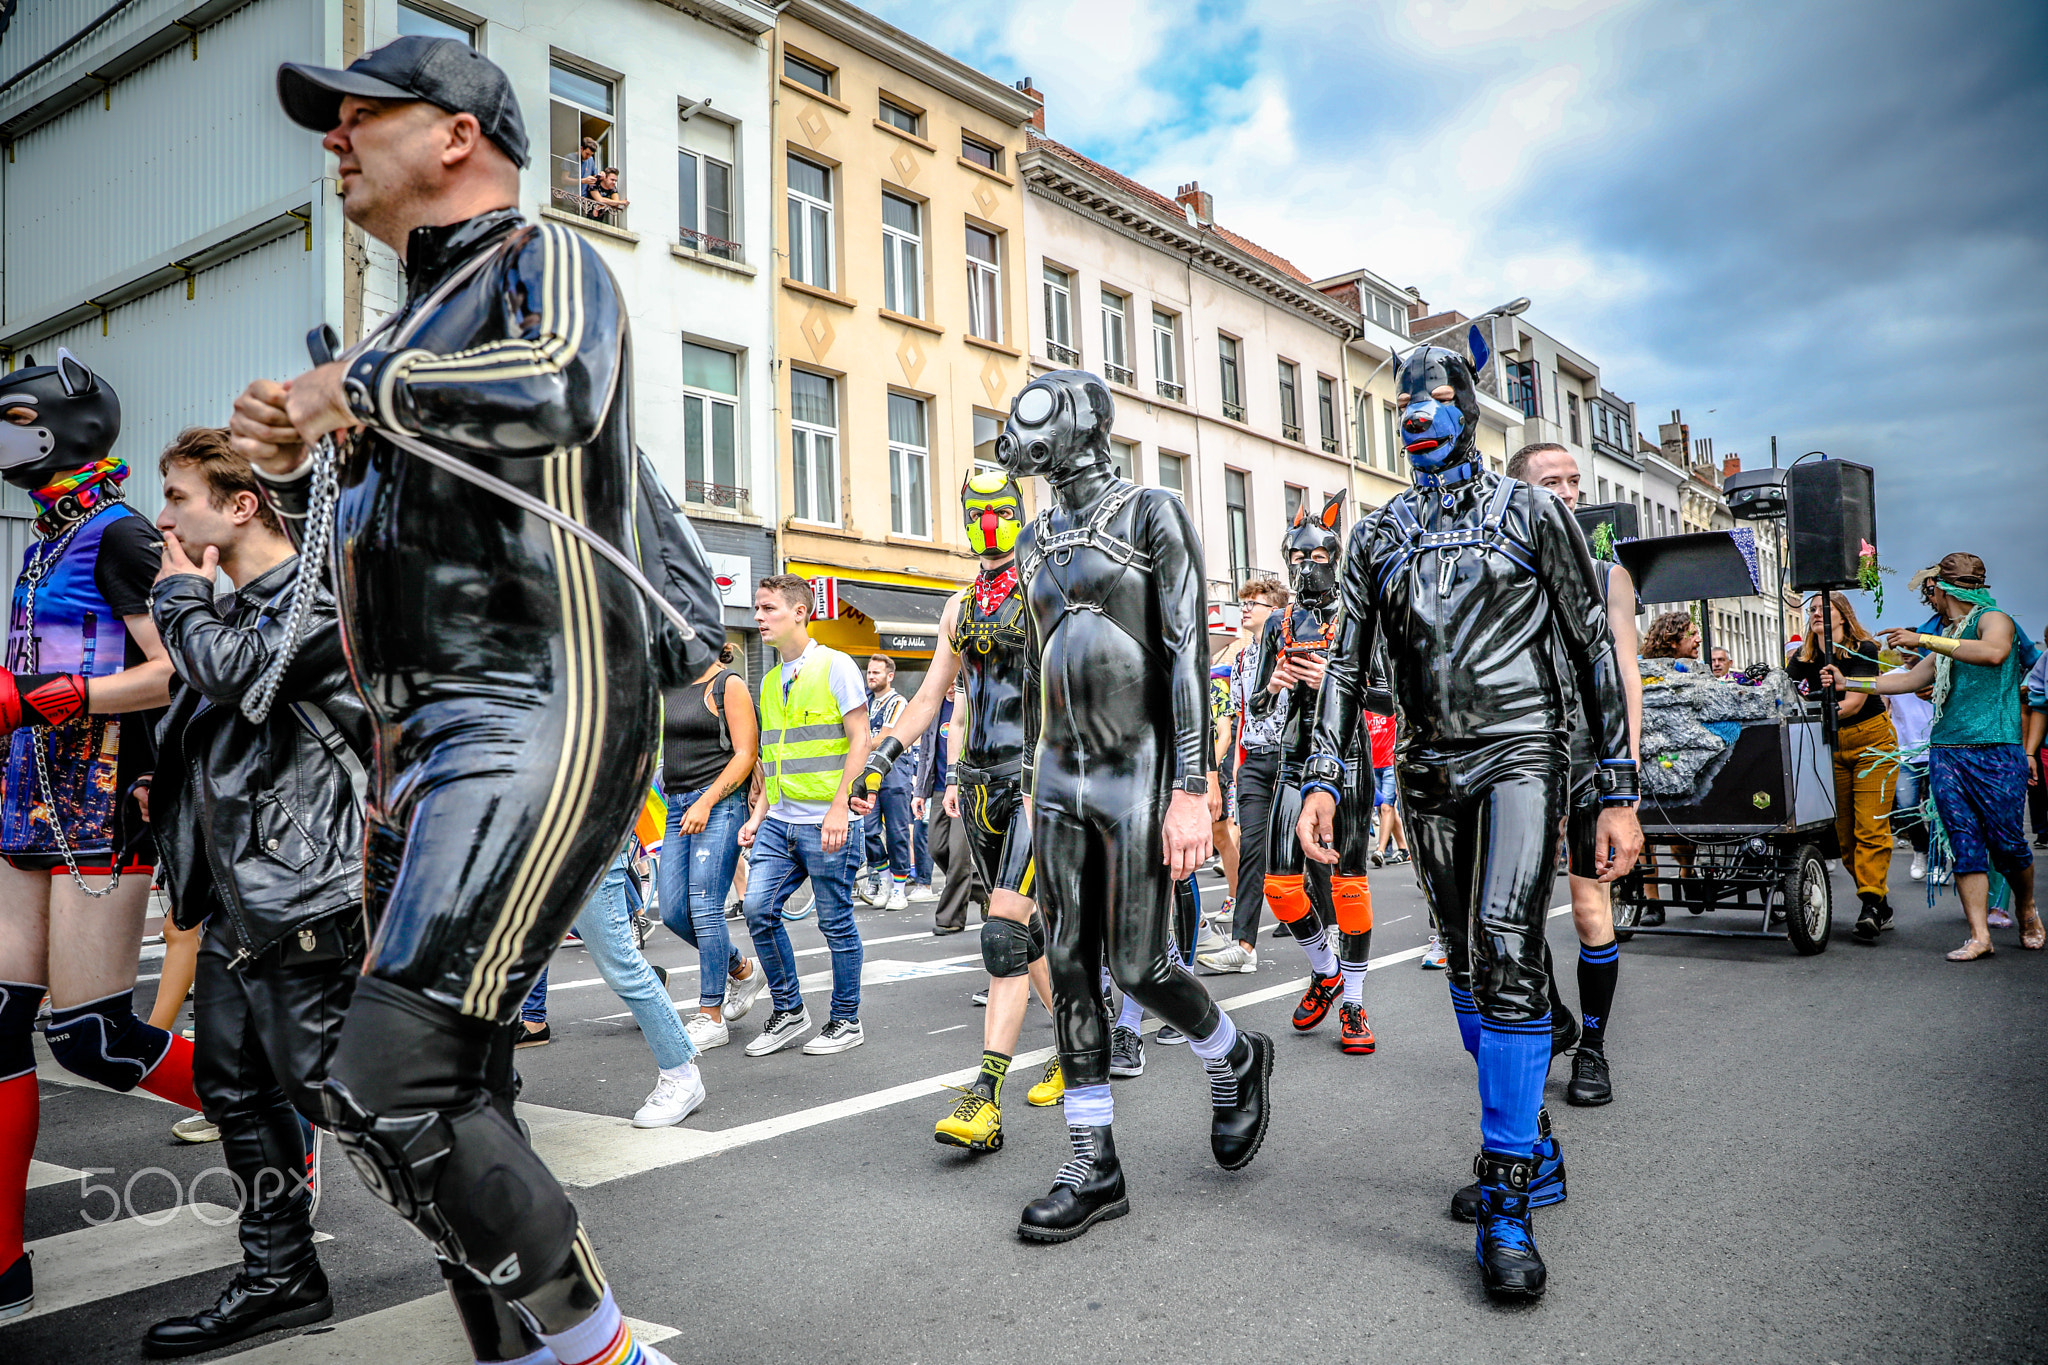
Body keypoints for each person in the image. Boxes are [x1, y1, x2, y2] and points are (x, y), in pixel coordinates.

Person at [236, 38, 710, 1364]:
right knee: (443, 1098)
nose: (333, 140)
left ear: (456, 134)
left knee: (397, 1083)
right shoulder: (402, 327)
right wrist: (298, 448)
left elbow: (559, 387)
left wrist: (357, 392)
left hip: (535, 712)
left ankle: (613, 1356)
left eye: (358, 116)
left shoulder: (541, 259)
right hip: (424, 745)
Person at [1299, 344, 1640, 1301]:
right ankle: (1533, 1142)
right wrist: (1323, 776)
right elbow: (1343, 665)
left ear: (1470, 409)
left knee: (1505, 942)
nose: (1418, 412)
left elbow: (1590, 648)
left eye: (1439, 396)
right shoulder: (1376, 537)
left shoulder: (1533, 514)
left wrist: (1614, 785)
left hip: (1525, 750)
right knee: (1463, 959)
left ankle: (1506, 1200)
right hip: (1427, 766)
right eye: (1405, 399)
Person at [1001, 370, 1273, 1243]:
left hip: (1141, 772)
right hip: (1056, 773)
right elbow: (1026, 680)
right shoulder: (1033, 536)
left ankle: (1231, 1053)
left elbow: (1187, 652)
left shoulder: (1152, 510)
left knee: (1141, 965)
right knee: (1070, 963)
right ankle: (1094, 1161)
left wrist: (1192, 786)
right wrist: (1015, 841)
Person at [136, 429, 367, 1355]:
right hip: (237, 896)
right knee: (232, 1085)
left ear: (240, 507)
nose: (164, 517)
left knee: (341, 1094)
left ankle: (498, 1250)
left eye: (179, 496)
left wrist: (180, 594)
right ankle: (283, 1276)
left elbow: (236, 677)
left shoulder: (315, 602)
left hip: (308, 891)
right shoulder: (232, 607)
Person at [0, 350, 190, 1322]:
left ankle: (279, 1116)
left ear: (74, 423)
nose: (8, 431)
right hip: (21, 805)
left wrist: (53, 694)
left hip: (100, 810)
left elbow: (175, 668)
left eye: (21, 414)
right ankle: (2, 1260)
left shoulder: (119, 537)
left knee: (92, 1039)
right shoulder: (41, 541)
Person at [855, 469, 1060, 1152]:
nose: (991, 523)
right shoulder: (959, 606)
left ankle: (986, 1097)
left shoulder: (1047, 590)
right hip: (977, 784)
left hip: (1034, 779)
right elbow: (931, 697)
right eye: (979, 511)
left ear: (1020, 512)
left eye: (1002, 510)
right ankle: (1083, 1035)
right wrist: (882, 758)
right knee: (1022, 935)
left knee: (1003, 932)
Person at [1503, 442, 1644, 1106]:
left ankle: (1592, 1045)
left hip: (1588, 760)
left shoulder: (1605, 573)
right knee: (1512, 918)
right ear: (1518, 494)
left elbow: (1624, 676)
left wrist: (1626, 782)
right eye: (1550, 481)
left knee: (1590, 907)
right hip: (1517, 761)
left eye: (1573, 482)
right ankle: (1554, 1014)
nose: (1567, 491)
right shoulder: (1498, 573)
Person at [1823, 552, 2041, 959]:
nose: (1930, 598)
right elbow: (1905, 680)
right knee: (1964, 843)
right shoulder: (1949, 635)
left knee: (2008, 844)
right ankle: (1979, 936)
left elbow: (1993, 653)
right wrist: (1846, 680)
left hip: (1996, 750)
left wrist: (1922, 639)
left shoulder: (1994, 619)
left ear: (1942, 589)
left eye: (1932, 590)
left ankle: (2027, 908)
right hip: (1947, 752)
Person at [1243, 494, 1377, 1054]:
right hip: (1295, 759)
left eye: (1319, 554)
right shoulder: (1280, 621)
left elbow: (1390, 699)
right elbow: (1254, 706)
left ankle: (1354, 1004)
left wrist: (1334, 684)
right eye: (1297, 557)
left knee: (1348, 884)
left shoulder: (1359, 613)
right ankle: (1326, 969)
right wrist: (1275, 684)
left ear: (1335, 554)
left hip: (1349, 757)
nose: (1308, 565)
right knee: (1279, 884)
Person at [736, 575, 870, 1056]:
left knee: (835, 924)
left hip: (828, 823)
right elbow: (776, 759)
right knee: (757, 909)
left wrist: (838, 808)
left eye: (768, 608)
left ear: (799, 612)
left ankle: (845, 1020)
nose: (758, 618)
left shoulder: (836, 666)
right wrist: (758, 814)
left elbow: (861, 740)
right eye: (756, 609)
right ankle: (790, 1011)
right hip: (779, 822)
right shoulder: (770, 682)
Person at [659, 646, 767, 1051]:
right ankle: (741, 968)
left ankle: (711, 1015)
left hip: (718, 804)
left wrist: (706, 802)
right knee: (673, 911)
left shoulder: (728, 683)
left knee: (704, 906)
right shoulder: (671, 686)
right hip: (677, 804)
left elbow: (746, 753)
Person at [1788, 592, 1898, 941]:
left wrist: (1812, 707)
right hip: (1830, 747)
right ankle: (1878, 900)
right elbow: (1786, 694)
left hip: (1872, 741)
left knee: (1871, 827)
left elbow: (1851, 705)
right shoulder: (1804, 657)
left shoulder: (1863, 648)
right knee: (1845, 836)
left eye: (1823, 608)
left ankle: (1869, 904)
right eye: (1812, 610)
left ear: (1842, 615)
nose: (1816, 613)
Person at [1196, 577, 1288, 974]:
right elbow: (1238, 721)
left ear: (1276, 612)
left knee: (1301, 846)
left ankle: (1332, 928)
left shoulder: (1291, 650)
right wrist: (1234, 772)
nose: (1246, 609)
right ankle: (1244, 945)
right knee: (1252, 849)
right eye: (1244, 603)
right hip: (1254, 762)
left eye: (1255, 603)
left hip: (1290, 759)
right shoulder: (1239, 661)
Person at [858, 655, 915, 910]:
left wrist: (856, 746)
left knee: (896, 831)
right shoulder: (866, 703)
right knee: (868, 830)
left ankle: (900, 889)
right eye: (869, 672)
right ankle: (883, 881)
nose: (871, 677)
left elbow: (885, 737)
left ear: (890, 676)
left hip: (894, 770)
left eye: (876, 673)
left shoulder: (898, 702)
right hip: (868, 771)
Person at [2022, 628, 2047, 847]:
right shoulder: (2044, 662)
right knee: (2038, 793)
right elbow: (2036, 707)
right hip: (2044, 746)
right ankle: (2042, 833)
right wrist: (2029, 752)